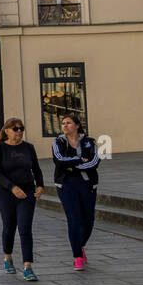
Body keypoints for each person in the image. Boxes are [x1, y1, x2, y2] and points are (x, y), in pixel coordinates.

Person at [0, 117, 44, 281]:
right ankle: (8, 257)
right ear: (6, 130)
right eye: (15, 129)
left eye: (21, 128)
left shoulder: (28, 148)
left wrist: (40, 185)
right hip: (6, 193)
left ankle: (28, 267)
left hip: (27, 192)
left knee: (25, 228)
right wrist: (12, 187)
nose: (19, 131)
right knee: (9, 227)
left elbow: (36, 168)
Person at [53, 113, 100, 270]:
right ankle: (77, 256)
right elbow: (59, 161)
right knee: (74, 219)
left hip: (87, 184)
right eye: (63, 123)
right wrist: (80, 161)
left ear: (77, 125)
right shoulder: (58, 142)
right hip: (67, 185)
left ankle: (81, 245)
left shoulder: (90, 142)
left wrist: (73, 165)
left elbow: (94, 161)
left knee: (88, 220)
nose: (65, 125)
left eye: (69, 123)